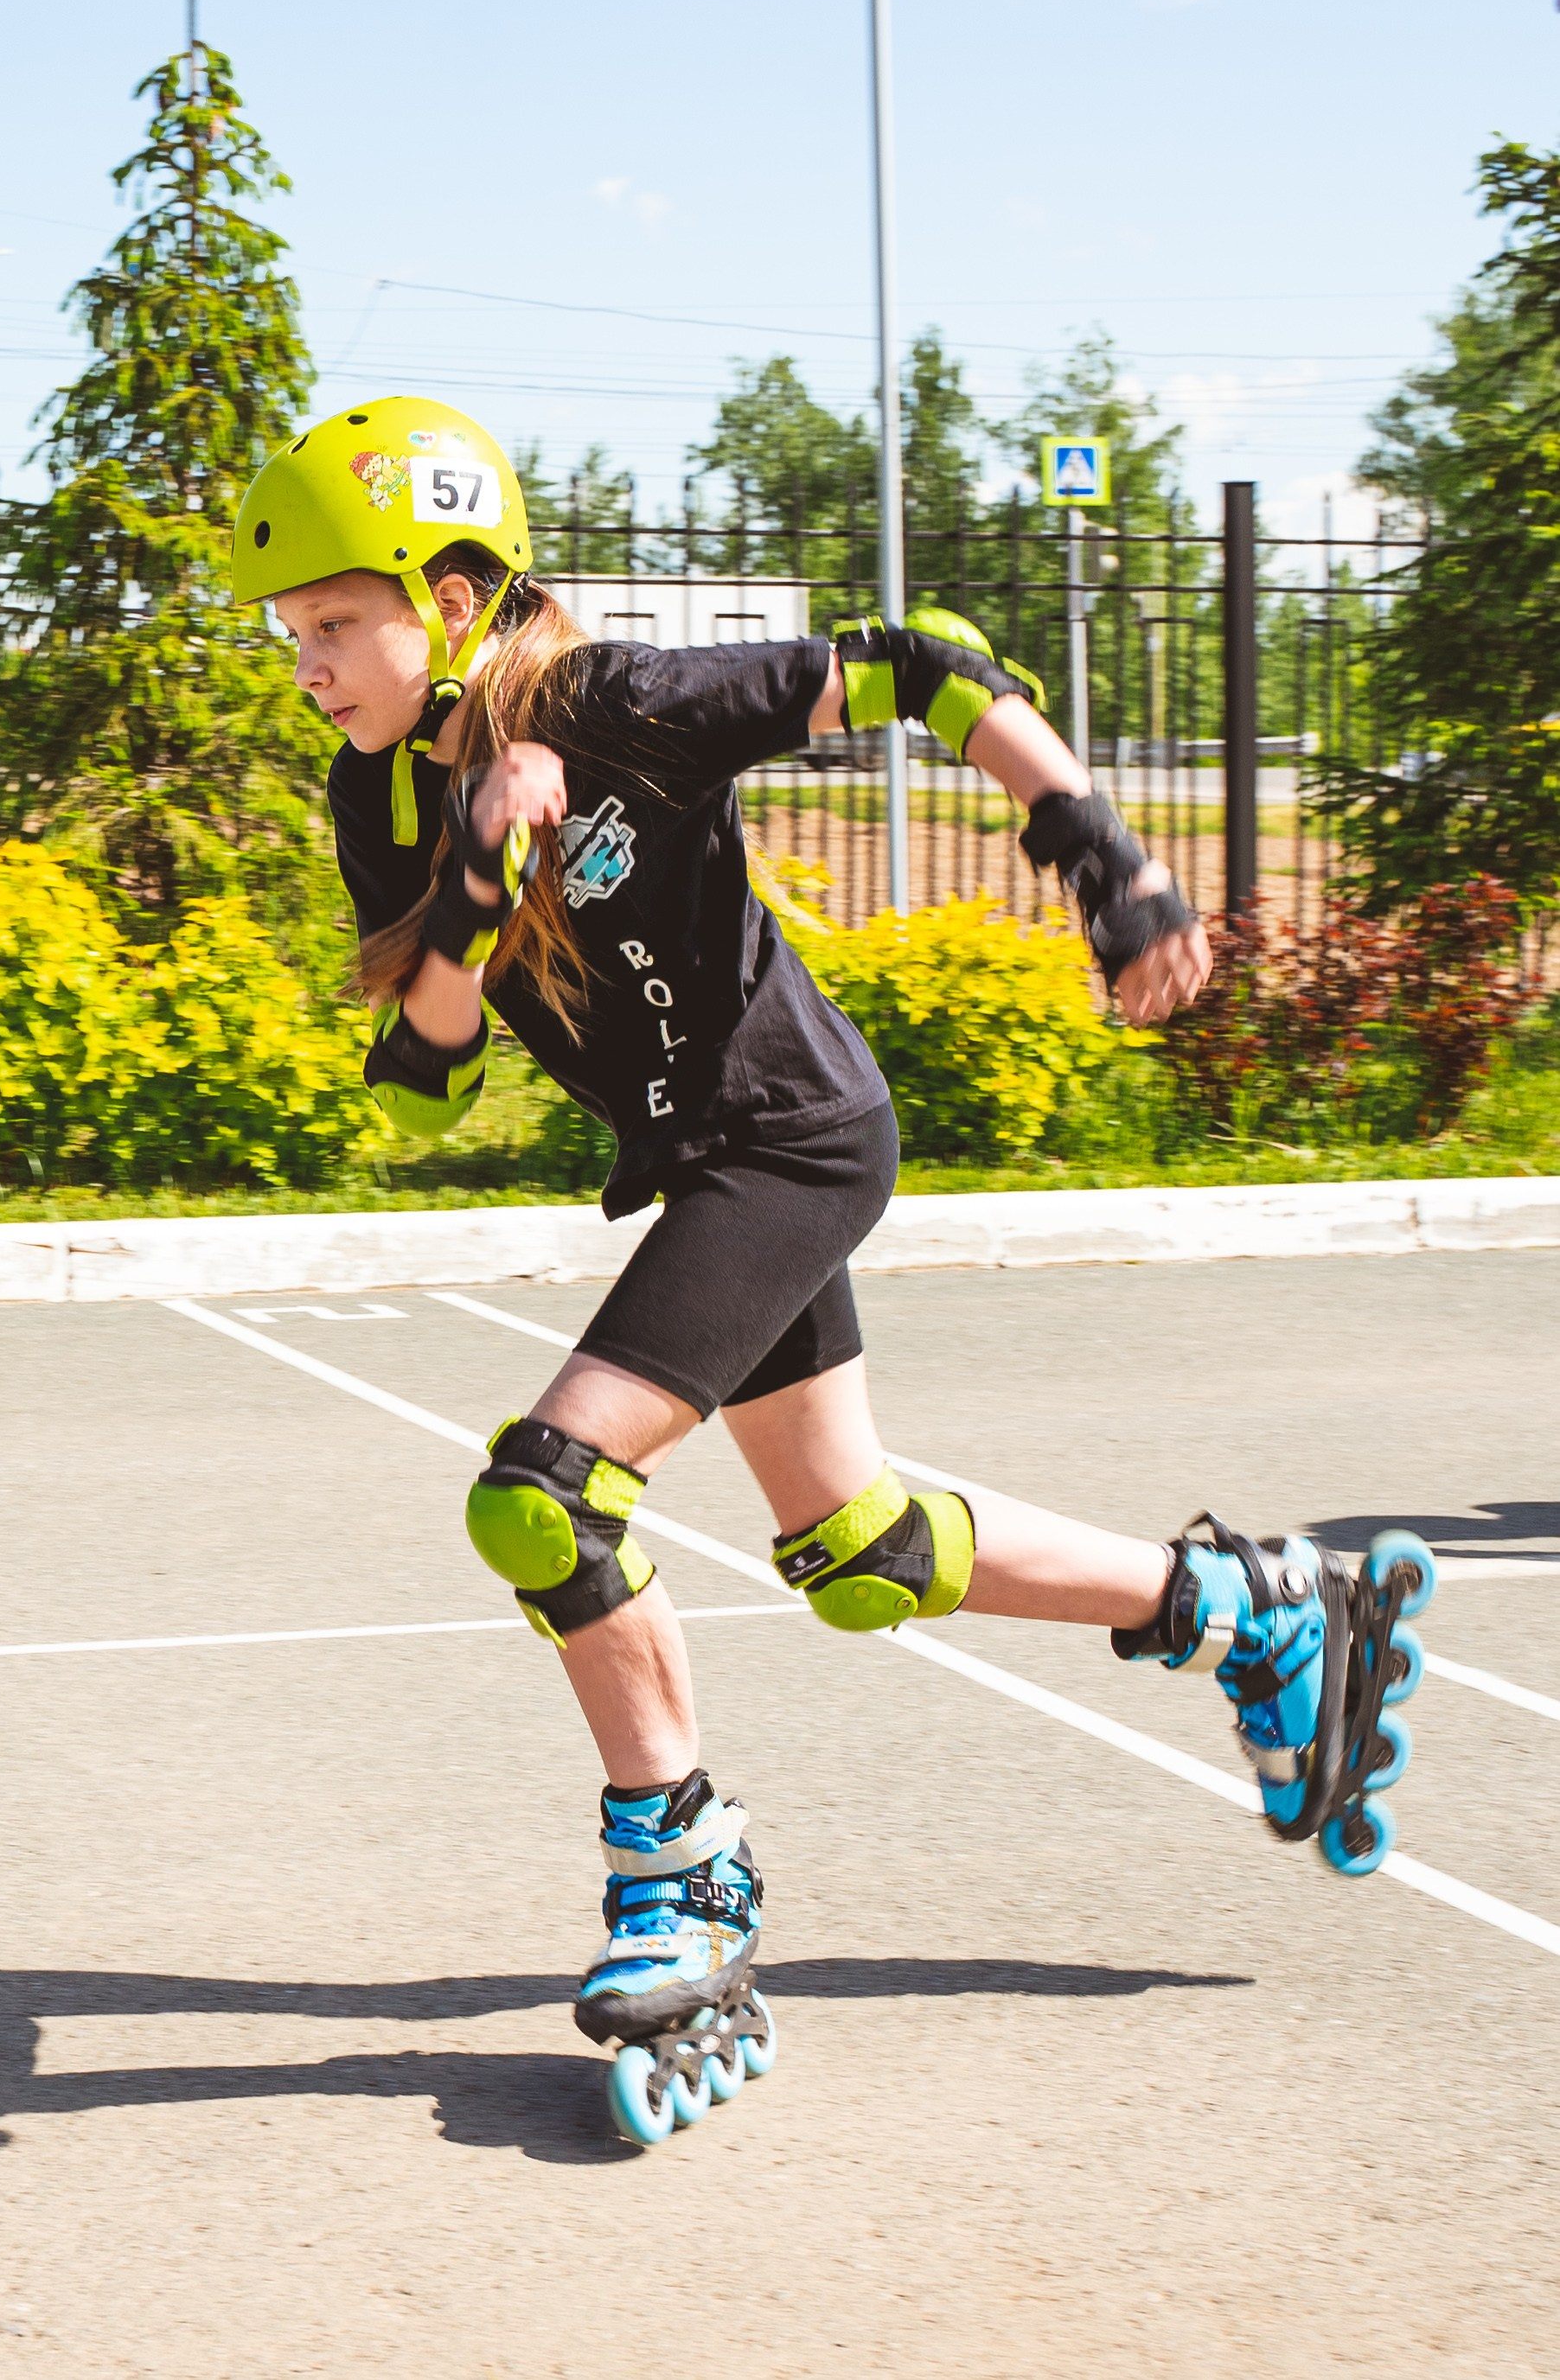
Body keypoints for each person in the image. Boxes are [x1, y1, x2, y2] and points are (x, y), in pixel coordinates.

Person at [230, 397, 1436, 2143]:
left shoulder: (620, 704)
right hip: (709, 1168)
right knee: (858, 1549)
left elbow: (924, 666)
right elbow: (420, 1075)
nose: (309, 662)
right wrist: (484, 877)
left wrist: (1103, 857)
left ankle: (685, 1879)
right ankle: (1250, 1607)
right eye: (290, 633)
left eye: (337, 621)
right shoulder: (384, 795)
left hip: (792, 1139)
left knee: (542, 1499)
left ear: (462, 586)